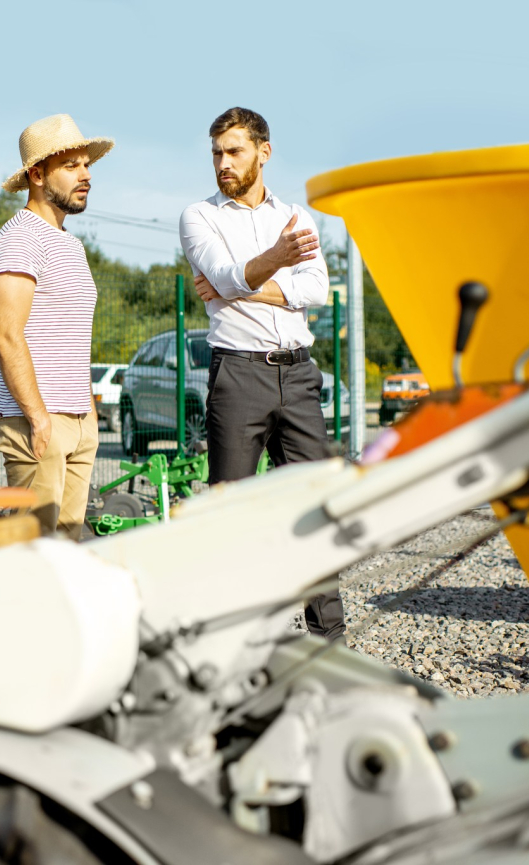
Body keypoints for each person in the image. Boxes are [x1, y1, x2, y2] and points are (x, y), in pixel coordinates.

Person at [179, 106, 345, 641]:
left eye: (234, 151)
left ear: (263, 152)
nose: (223, 163)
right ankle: (234, 644)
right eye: (216, 154)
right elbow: (224, 274)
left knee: (315, 510)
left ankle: (330, 644)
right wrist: (273, 262)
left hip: (298, 377)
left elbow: (315, 290)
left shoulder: (296, 216)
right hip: (238, 377)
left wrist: (243, 286)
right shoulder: (199, 217)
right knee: (230, 517)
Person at [0, 114, 113, 540]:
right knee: (33, 553)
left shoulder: (71, 245)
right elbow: (6, 335)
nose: (86, 175)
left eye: (86, 164)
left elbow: (72, 336)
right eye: (71, 166)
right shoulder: (20, 238)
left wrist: (88, 415)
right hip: (36, 422)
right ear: (37, 175)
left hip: (78, 420)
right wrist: (39, 418)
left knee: (66, 551)